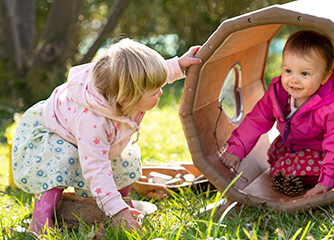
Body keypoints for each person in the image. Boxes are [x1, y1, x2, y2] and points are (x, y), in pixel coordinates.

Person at [11, 38, 201, 233]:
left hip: (95, 131)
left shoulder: (122, 90)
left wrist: (178, 65)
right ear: (127, 99)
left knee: (125, 159)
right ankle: (41, 219)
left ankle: (119, 207)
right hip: (55, 131)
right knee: (64, 159)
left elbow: (149, 78)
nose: (160, 93)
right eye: (154, 93)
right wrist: (116, 211)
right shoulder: (93, 122)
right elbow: (96, 168)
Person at [220, 30, 334, 197]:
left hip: (328, 153)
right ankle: (292, 171)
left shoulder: (332, 107)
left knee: (301, 164)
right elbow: (256, 120)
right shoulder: (277, 94)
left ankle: (320, 175)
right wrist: (236, 148)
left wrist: (328, 181)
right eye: (288, 71)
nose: (293, 80)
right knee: (274, 153)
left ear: (325, 77)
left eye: (304, 74)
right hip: (294, 145)